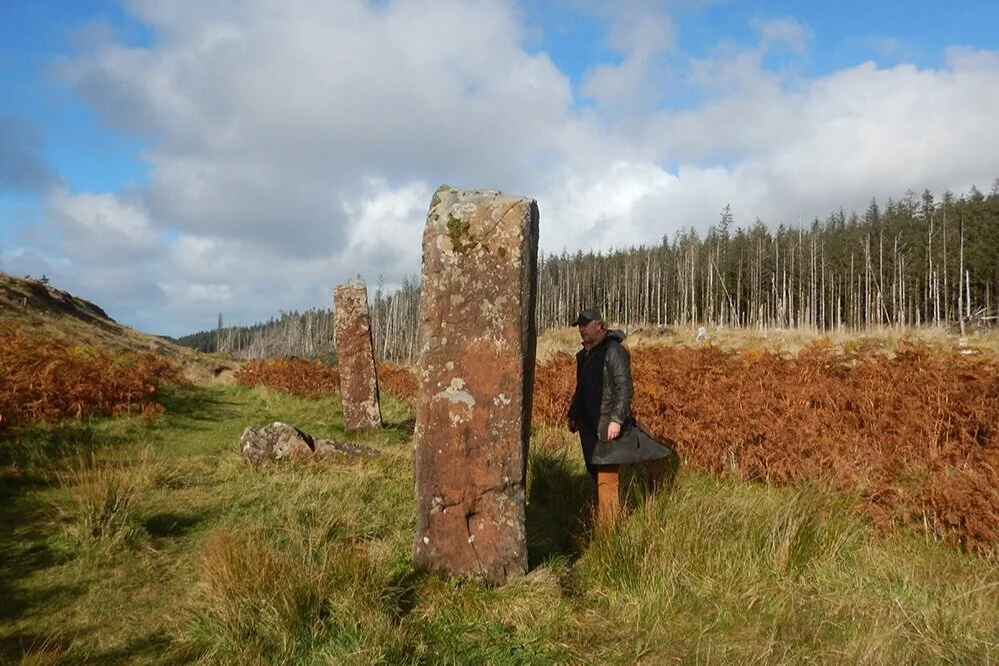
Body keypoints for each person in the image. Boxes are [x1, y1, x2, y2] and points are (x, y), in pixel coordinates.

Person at [566, 308, 672, 521]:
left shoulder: (614, 351)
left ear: (600, 325)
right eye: (579, 325)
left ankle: (609, 530)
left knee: (607, 476)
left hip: (608, 423)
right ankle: (609, 519)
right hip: (590, 426)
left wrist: (616, 419)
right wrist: (573, 414)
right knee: (597, 472)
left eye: (586, 325)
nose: (581, 329)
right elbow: (581, 389)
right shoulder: (584, 355)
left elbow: (624, 387)